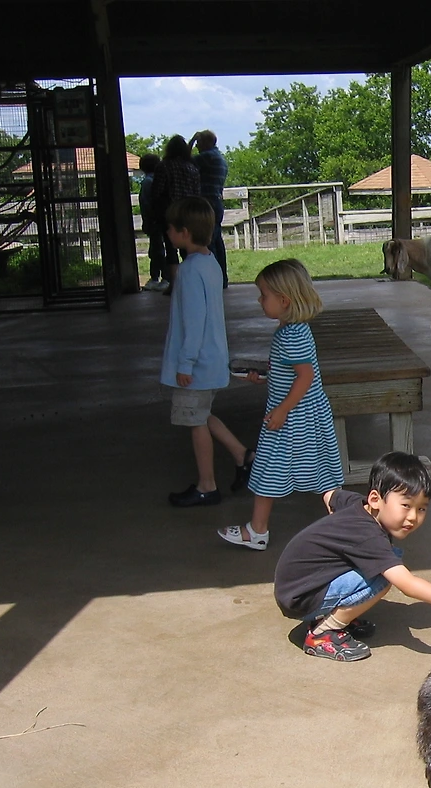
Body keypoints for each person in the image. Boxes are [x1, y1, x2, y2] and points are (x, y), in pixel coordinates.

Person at [272, 452, 431, 662]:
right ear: (375, 499)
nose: (413, 517)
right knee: (383, 577)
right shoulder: (368, 536)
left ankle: (338, 611)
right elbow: (408, 585)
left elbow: (331, 496)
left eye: (421, 508)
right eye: (406, 505)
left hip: (294, 586)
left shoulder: (357, 504)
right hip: (300, 599)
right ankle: (323, 632)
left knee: (384, 560)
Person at [218, 258, 343, 550]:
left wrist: (283, 409)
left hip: (291, 417)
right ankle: (343, 529)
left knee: (268, 470)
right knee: (322, 473)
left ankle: (257, 531)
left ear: (284, 300)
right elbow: (292, 373)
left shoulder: (291, 336)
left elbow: (305, 376)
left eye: (264, 295)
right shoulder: (294, 330)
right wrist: (265, 377)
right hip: (304, 414)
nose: (259, 301)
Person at [159, 196, 249, 507]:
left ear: (184, 232)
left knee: (195, 422)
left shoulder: (188, 271)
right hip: (211, 359)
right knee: (202, 414)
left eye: (171, 228)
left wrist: (185, 363)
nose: (168, 232)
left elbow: (194, 321)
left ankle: (207, 486)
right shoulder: (211, 263)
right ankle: (242, 455)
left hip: (196, 365)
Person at [150, 135, 200, 291]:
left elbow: (156, 192)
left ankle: (174, 285)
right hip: (189, 213)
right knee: (189, 249)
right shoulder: (192, 168)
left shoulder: (163, 166)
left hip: (169, 213)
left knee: (171, 249)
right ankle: (191, 283)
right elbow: (197, 192)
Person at [191, 130, 229, 289]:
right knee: (216, 240)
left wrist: (190, 141)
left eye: (198, 142)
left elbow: (185, 161)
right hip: (216, 202)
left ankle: (213, 279)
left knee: (208, 241)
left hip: (208, 203)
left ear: (206, 142)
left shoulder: (207, 157)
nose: (197, 146)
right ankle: (222, 278)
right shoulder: (219, 157)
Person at [137, 153, 170, 292]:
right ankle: (160, 277)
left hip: (153, 221)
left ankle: (160, 277)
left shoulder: (147, 182)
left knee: (156, 250)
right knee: (158, 249)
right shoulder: (159, 180)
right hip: (161, 219)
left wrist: (148, 220)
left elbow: (146, 204)